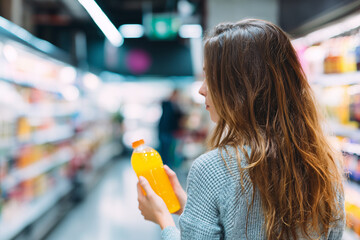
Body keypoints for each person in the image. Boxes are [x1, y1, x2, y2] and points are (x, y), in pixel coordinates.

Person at [137, 19, 345, 239]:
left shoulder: (211, 170)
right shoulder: (324, 166)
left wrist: (163, 218)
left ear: (240, 87)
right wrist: (192, 206)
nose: (201, 89)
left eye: (211, 77)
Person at [158, 89, 183, 168]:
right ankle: (164, 166)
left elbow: (179, 116)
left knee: (169, 150)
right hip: (164, 131)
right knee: (164, 150)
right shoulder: (167, 104)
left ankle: (168, 166)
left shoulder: (174, 106)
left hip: (170, 131)